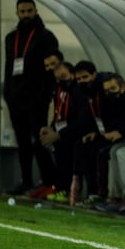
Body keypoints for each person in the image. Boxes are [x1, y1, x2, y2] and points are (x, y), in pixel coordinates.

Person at [3, 0, 59, 195]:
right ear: (17, 13)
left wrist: (47, 93)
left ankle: (50, 182)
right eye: (22, 11)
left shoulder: (46, 36)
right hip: (15, 98)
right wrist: (7, 93)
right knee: (23, 142)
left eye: (29, 11)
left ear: (36, 11)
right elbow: (9, 67)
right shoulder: (11, 38)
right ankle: (26, 180)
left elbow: (53, 66)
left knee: (40, 140)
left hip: (37, 98)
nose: (26, 15)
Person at [38, 62, 94, 202]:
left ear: (71, 74)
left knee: (68, 147)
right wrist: (50, 128)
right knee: (39, 144)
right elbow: (59, 112)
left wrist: (59, 134)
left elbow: (81, 120)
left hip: (76, 132)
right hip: (63, 130)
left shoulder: (78, 91)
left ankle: (67, 189)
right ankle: (53, 185)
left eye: (64, 77)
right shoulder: (58, 89)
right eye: (58, 79)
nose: (62, 81)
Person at [94, 76, 125, 214]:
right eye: (107, 90)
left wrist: (122, 132)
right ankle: (115, 196)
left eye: (113, 89)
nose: (110, 93)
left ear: (122, 86)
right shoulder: (114, 101)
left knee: (122, 153)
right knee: (113, 151)